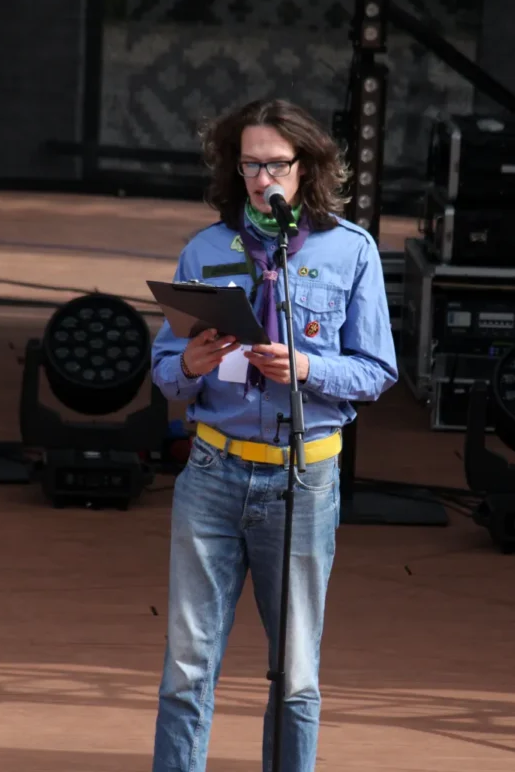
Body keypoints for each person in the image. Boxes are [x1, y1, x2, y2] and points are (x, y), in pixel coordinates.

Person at [150, 98, 398, 772]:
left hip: (302, 479)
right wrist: (189, 364)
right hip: (213, 473)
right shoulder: (206, 249)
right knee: (187, 668)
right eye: (250, 166)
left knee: (295, 675)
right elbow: (166, 372)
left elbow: (378, 371)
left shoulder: (350, 249)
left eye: (276, 165)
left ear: (306, 166)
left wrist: (308, 369)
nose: (263, 179)